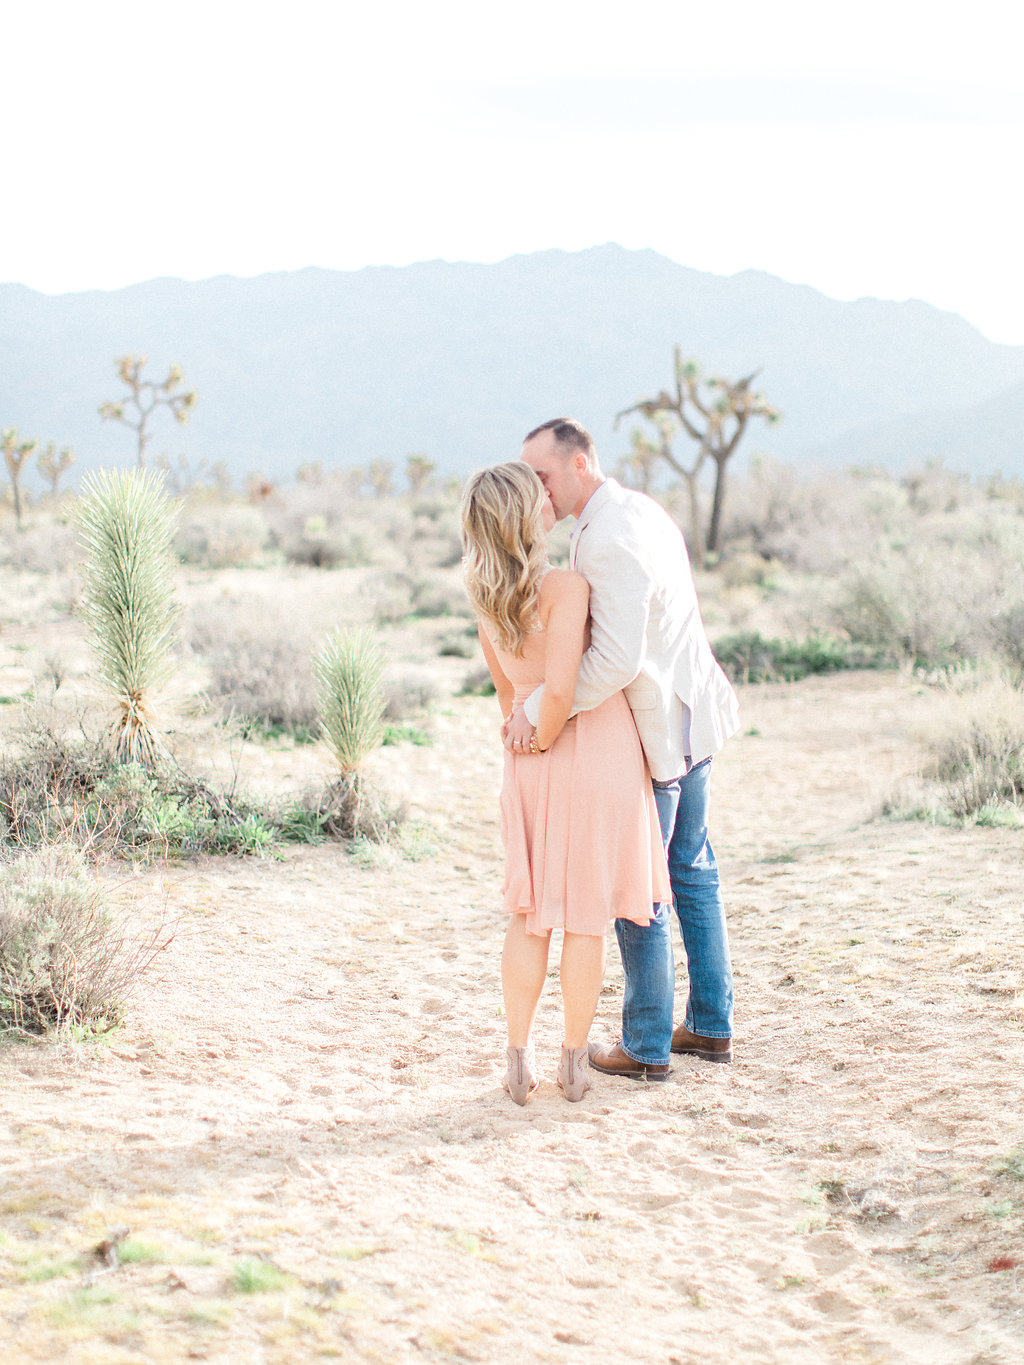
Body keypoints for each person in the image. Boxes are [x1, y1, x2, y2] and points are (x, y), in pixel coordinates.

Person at [504, 418, 740, 1080]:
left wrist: (534, 707)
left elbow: (614, 660)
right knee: (691, 867)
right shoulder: (639, 510)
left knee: (640, 891)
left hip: (664, 729)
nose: (536, 491)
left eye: (542, 476)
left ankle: (643, 1045)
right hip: (695, 712)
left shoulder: (605, 539)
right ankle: (709, 1024)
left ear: (579, 463)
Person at [460, 462, 669, 1105]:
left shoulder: (480, 591)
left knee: (530, 916)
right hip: (588, 742)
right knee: (583, 920)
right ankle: (575, 1064)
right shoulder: (565, 587)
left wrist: (524, 741)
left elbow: (507, 690)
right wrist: (546, 733)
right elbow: (561, 688)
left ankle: (516, 1062)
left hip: (524, 754)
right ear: (527, 518)